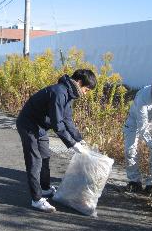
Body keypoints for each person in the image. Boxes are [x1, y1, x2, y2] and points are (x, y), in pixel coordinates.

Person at [16, 69, 97, 212]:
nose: (86, 93)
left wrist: (79, 139)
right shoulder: (59, 92)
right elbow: (57, 124)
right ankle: (36, 199)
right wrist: (72, 144)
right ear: (79, 82)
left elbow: (67, 120)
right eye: (87, 89)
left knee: (45, 157)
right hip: (28, 125)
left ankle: (45, 188)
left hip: (39, 126)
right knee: (35, 162)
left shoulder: (69, 93)